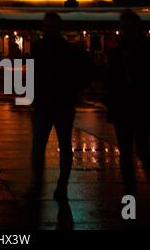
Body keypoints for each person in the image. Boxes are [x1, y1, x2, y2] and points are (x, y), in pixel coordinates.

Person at [104, 9, 150, 197]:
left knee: (132, 153)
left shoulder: (119, 52)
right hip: (135, 108)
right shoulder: (145, 50)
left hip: (131, 108)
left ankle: (131, 198)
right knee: (139, 151)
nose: (125, 31)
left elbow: (112, 80)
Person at [31, 12, 94, 201]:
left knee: (52, 146)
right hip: (51, 104)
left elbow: (88, 71)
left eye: (50, 27)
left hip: (57, 104)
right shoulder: (57, 49)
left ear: (58, 28)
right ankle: (50, 185)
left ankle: (51, 185)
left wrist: (73, 89)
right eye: (46, 27)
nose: (47, 30)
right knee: (49, 146)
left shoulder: (49, 49)